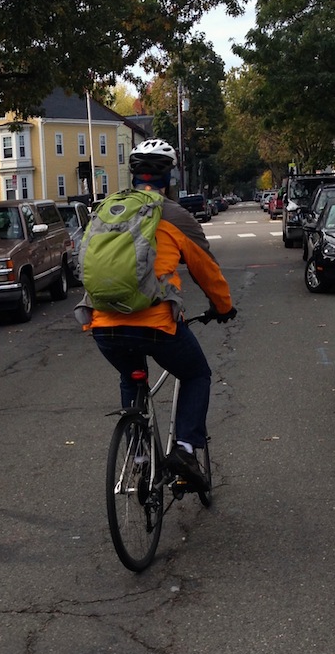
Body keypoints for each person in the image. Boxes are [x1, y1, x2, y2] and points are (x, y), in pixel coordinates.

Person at [80, 138, 236, 489]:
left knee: (131, 375)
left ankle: (139, 456)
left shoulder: (106, 210)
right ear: (170, 176)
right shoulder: (175, 215)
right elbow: (205, 269)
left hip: (103, 325)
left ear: (133, 175)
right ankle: (183, 450)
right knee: (197, 374)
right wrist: (223, 306)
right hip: (155, 324)